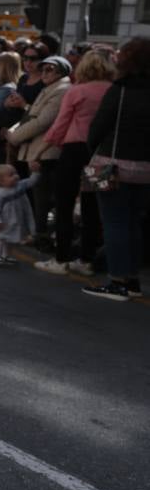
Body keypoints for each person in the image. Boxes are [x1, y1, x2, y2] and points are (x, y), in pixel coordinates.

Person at [35, 51, 115, 276]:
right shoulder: (113, 90)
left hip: (73, 150)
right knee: (93, 206)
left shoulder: (76, 91)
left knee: (64, 203)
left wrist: (42, 149)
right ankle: (86, 259)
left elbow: (61, 125)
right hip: (101, 152)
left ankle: (61, 258)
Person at [81, 37, 150, 300]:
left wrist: (92, 150)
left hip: (109, 165)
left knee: (113, 223)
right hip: (146, 170)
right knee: (134, 222)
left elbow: (97, 129)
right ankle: (131, 279)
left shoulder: (120, 90)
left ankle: (117, 280)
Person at [4, 57, 71, 245]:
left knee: (42, 196)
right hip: (33, 147)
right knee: (35, 193)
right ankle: (33, 230)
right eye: (43, 69)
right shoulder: (48, 89)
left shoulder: (61, 91)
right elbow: (32, 113)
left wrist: (15, 136)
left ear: (61, 72)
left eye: (50, 69)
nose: (44, 73)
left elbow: (43, 121)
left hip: (46, 150)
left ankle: (39, 233)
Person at [0, 163, 39, 267]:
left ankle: (6, 256)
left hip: (15, 220)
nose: (16, 176)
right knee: (0, 239)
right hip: (4, 221)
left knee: (11, 240)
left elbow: (31, 181)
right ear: (1, 181)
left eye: (15, 173)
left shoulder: (19, 186)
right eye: (11, 175)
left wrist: (35, 172)